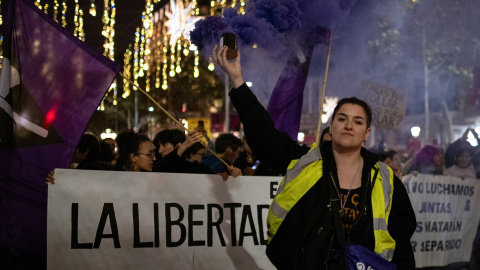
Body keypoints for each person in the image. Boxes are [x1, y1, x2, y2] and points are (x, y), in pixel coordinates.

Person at [213, 44, 416, 269]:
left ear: (366, 133)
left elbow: (401, 242)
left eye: (358, 121)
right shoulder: (305, 161)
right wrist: (238, 81)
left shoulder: (385, 178)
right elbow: (264, 136)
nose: (349, 125)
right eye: (342, 119)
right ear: (332, 125)